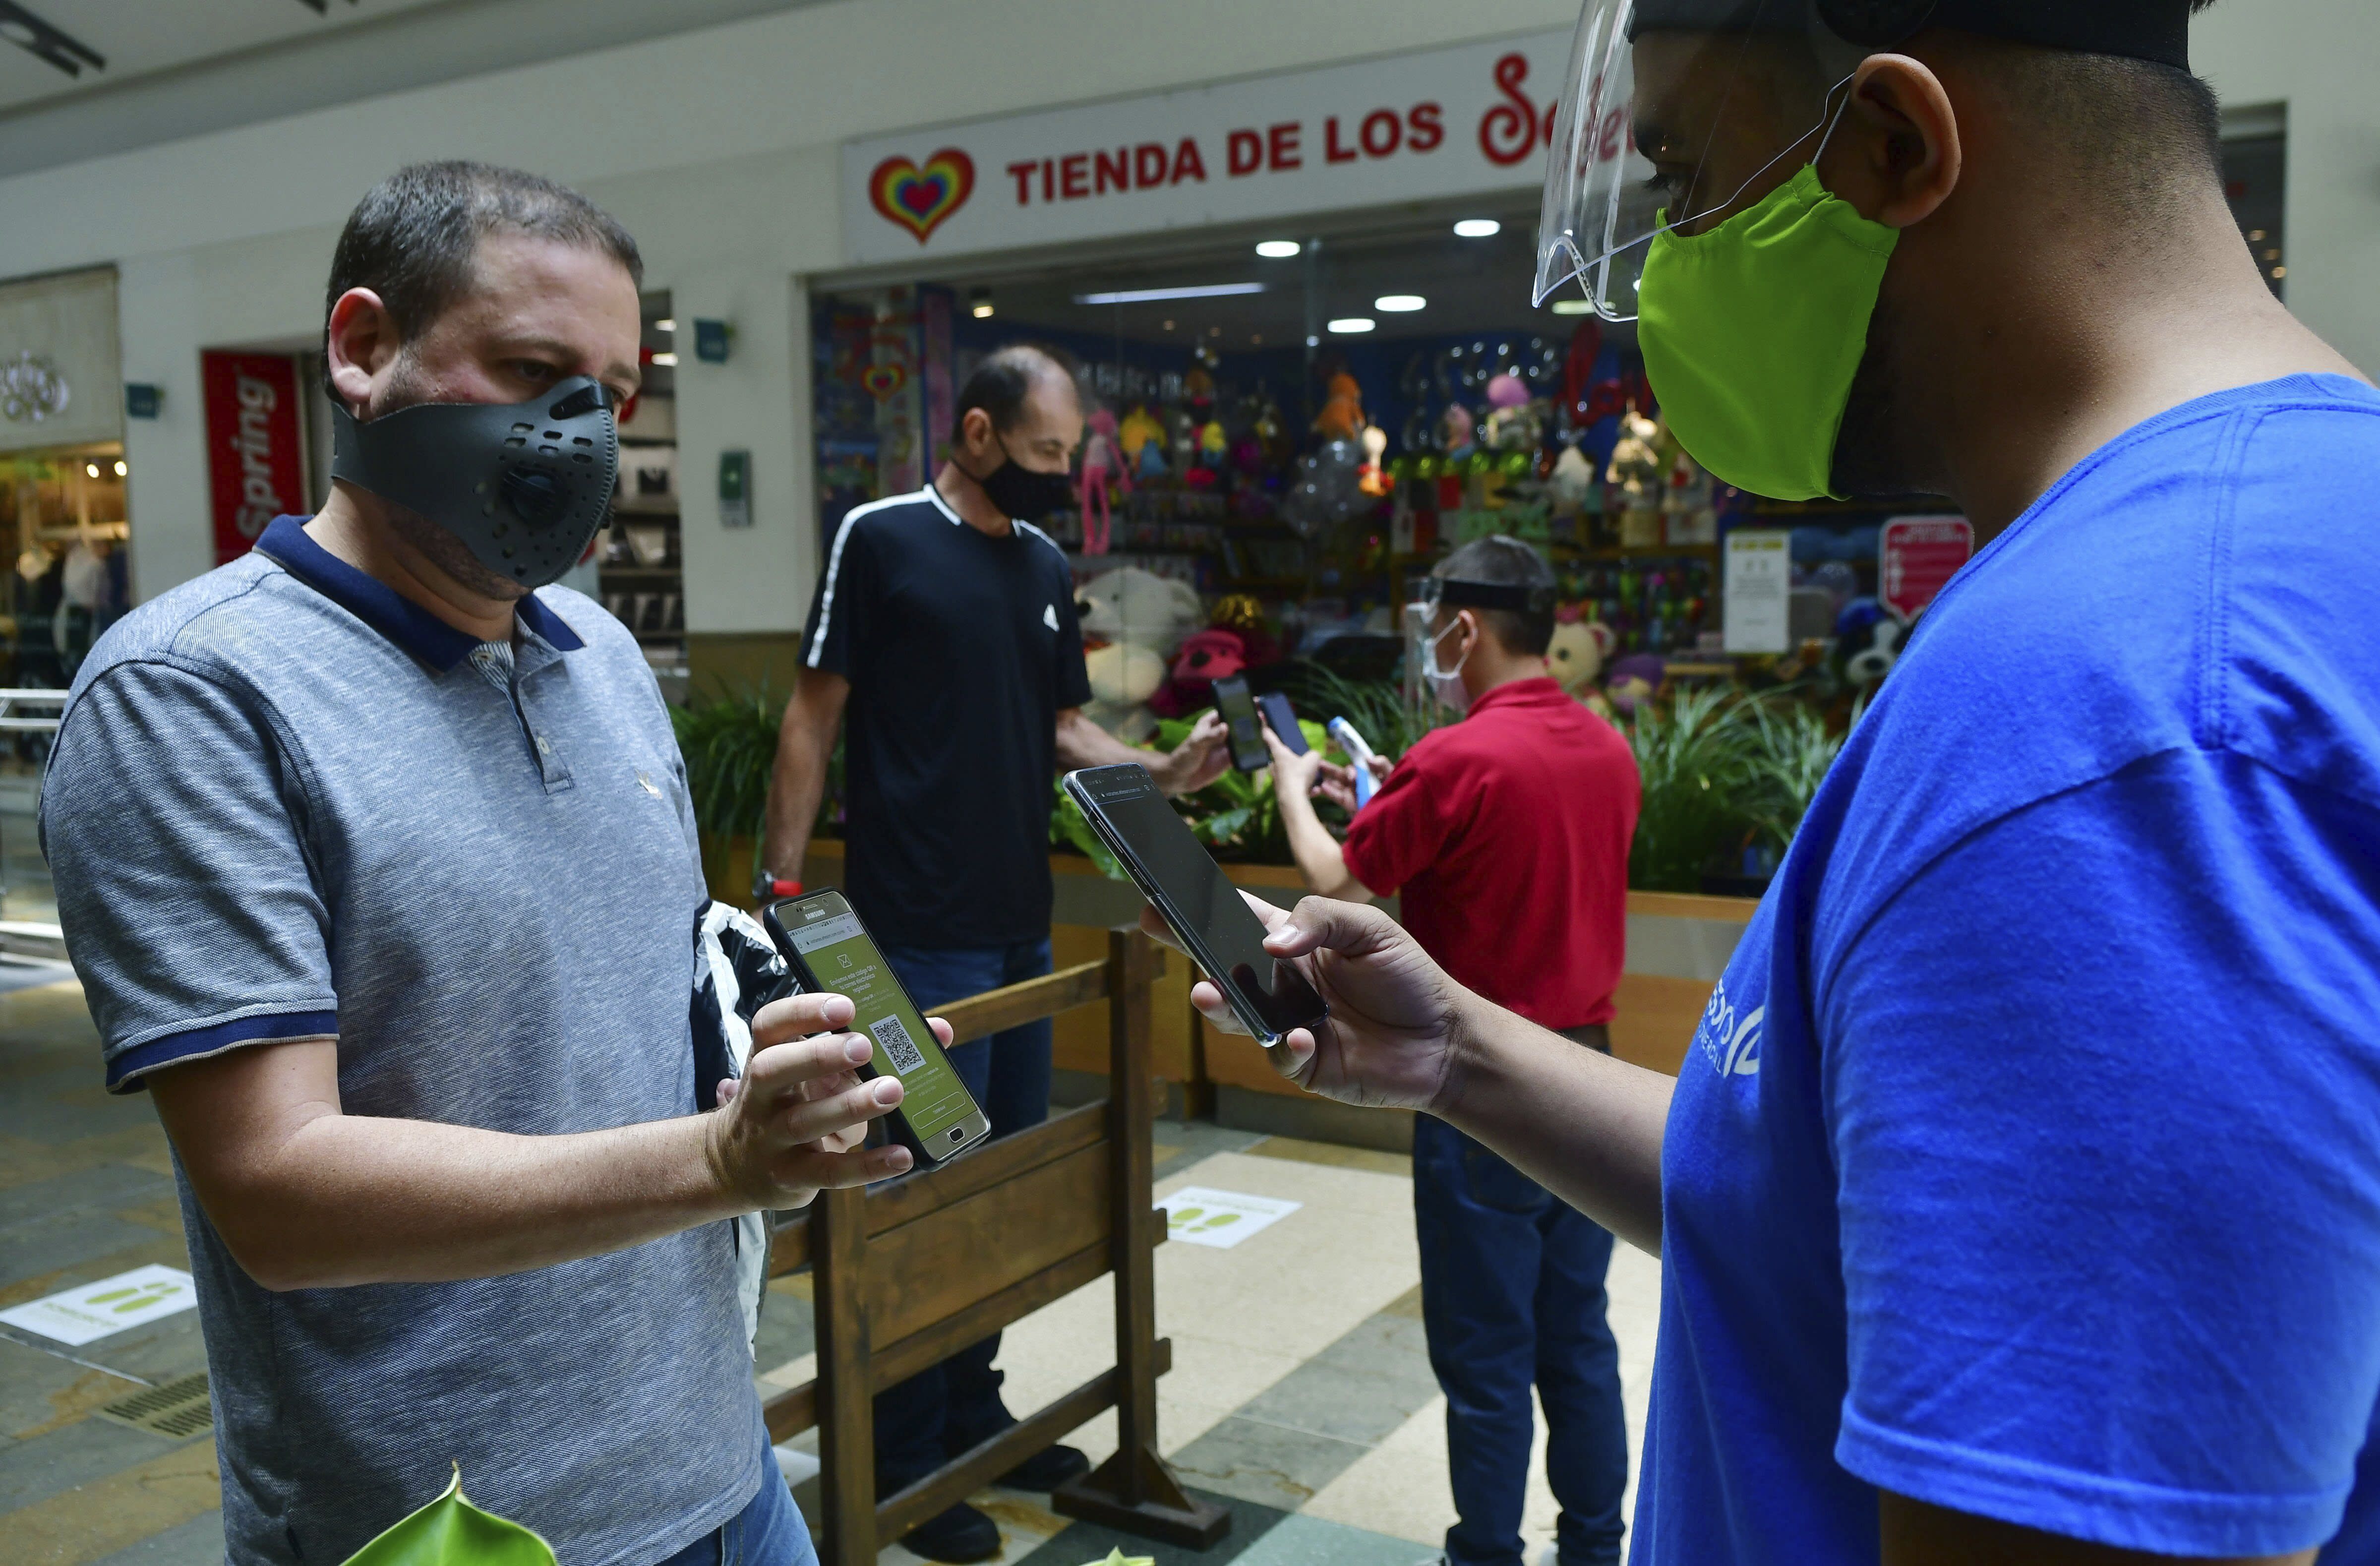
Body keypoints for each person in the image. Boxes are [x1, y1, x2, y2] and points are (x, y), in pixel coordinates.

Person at [1171, 1, 2380, 1562]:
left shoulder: (2109, 722)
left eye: (1684, 177)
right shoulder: (2296, 529)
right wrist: (1458, 1053)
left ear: (1896, 144)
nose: (1670, 260)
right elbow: (1825, 1217)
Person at [39, 162, 920, 1566]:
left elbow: (620, 1014)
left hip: (719, 1465)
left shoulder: (608, 660)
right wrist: (714, 1158)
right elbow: (277, 1188)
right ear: (363, 348)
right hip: (450, 1521)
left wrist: (778, 1085)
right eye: (529, 368)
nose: (581, 432)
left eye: (615, 394)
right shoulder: (190, 695)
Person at [762, 343, 1228, 1562]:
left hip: (1023, 923)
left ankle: (977, 1406)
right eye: (1043, 456)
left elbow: (1060, 720)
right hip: (915, 935)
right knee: (922, 1185)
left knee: (1011, 1179)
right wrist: (779, 884)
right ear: (975, 435)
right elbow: (815, 713)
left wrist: (1159, 774)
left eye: (1069, 458)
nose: (1059, 478)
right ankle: (908, 1448)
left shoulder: (1041, 562)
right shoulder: (880, 537)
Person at [1263, 537, 1641, 1566]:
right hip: (1591, 1071)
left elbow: (1338, 882)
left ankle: (1484, 1552)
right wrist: (1395, 794)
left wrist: (1295, 784)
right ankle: (1597, 1546)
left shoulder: (1458, 757)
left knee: (1485, 1353)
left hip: (1480, 1091)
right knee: (1579, 1334)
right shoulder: (1607, 748)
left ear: (1463, 628)